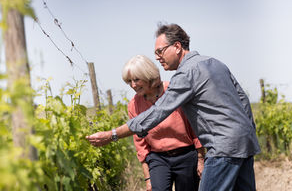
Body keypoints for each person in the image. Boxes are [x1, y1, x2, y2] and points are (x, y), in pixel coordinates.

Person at [86, 23, 261, 191]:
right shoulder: (215, 63)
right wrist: (247, 132)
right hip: (245, 142)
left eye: (160, 51)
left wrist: (113, 135)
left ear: (177, 46)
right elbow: (243, 99)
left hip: (223, 148)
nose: (157, 57)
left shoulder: (186, 74)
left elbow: (158, 111)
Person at [122, 55, 204, 191]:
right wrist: (148, 178)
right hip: (158, 159)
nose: (133, 85)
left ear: (148, 76)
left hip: (186, 155)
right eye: (129, 81)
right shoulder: (133, 105)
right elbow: (140, 144)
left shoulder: (173, 92)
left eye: (136, 80)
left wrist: (201, 158)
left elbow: (195, 127)